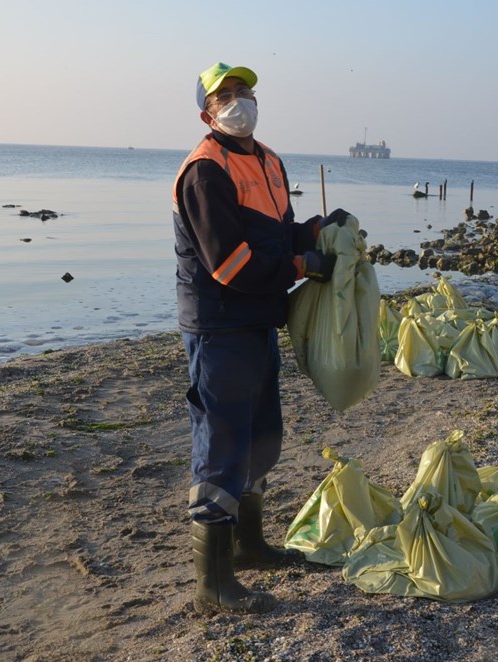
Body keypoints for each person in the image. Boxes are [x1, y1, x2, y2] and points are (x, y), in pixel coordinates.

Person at [172, 62, 348, 615]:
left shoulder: (267, 161)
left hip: (257, 322)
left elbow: (271, 238)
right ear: (208, 112)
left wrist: (315, 230)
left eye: (243, 90)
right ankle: (213, 585)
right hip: (219, 324)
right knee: (222, 444)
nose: (237, 100)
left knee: (262, 437)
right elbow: (229, 263)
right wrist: (303, 263)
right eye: (224, 94)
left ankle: (249, 547)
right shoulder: (205, 172)